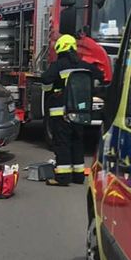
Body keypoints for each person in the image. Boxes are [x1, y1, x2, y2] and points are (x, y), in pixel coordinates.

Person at [42, 34, 103, 186]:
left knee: (62, 143)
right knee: (77, 142)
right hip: (79, 112)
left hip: (61, 113)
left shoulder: (58, 65)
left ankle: (62, 178)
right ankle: (78, 176)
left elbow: (45, 79)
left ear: (60, 49)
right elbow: (100, 76)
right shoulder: (84, 65)